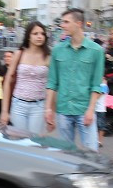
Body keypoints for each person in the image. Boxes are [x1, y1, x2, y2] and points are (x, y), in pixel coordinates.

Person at [45, 8, 106, 149]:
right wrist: (49, 109)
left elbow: (96, 84)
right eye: (62, 22)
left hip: (84, 109)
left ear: (79, 23)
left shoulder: (96, 51)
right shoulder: (57, 50)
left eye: (66, 22)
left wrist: (91, 110)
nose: (62, 25)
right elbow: (52, 82)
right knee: (65, 155)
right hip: (63, 109)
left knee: (91, 154)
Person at [0, 21, 50, 134]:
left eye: (42, 33)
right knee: (19, 141)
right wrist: (4, 111)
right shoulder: (19, 54)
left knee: (33, 142)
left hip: (38, 105)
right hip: (18, 104)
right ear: (28, 36)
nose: (39, 36)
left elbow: (53, 85)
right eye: (35, 33)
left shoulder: (48, 56)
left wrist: (49, 109)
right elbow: (8, 80)